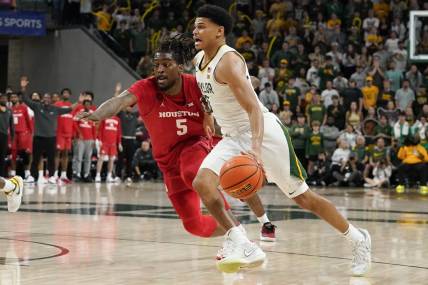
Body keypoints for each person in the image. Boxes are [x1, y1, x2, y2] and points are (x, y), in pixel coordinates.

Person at [192, 4, 371, 275]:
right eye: (195, 25)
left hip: (263, 134)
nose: (195, 30)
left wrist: (254, 148)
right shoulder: (198, 61)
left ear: (220, 32)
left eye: (202, 26)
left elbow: (253, 107)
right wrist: (207, 115)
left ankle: (358, 239)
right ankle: (242, 242)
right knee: (203, 183)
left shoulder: (229, 62)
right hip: (232, 136)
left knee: (304, 199)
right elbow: (209, 94)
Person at [76, 35, 276, 243]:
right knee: (193, 225)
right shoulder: (146, 88)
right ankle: (236, 228)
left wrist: (239, 80)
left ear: (179, 67)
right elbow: (119, 101)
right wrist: (97, 114)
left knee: (201, 172)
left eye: (166, 64)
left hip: (198, 145)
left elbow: (247, 81)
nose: (159, 69)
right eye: (157, 65)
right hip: (168, 163)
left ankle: (246, 233)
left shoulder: (197, 84)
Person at [20, 77, 74, 184]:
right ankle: (32, 176)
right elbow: (25, 99)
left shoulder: (55, 109)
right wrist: (23, 88)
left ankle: (52, 177)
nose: (46, 99)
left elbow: (70, 109)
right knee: (35, 158)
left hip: (51, 138)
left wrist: (79, 102)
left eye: (48, 98)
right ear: (42, 99)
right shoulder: (36, 106)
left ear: (51, 100)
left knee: (51, 159)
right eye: (45, 97)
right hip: (38, 137)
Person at [10, 92, 33, 182]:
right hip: (13, 135)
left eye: (15, 97)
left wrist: (30, 134)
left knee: (25, 154)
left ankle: (27, 174)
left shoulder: (24, 108)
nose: (13, 98)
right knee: (13, 154)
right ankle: (13, 174)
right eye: (12, 97)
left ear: (18, 98)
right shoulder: (9, 109)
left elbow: (29, 122)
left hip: (23, 135)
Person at [54, 88, 74, 183]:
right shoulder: (57, 105)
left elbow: (73, 121)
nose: (66, 94)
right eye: (64, 93)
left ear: (69, 95)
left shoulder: (71, 106)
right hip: (59, 133)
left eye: (67, 93)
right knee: (57, 153)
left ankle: (63, 175)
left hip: (68, 134)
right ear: (62, 95)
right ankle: (54, 174)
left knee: (66, 154)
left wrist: (73, 134)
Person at [95, 115, 122, 183]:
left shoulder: (117, 119)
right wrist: (100, 140)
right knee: (101, 158)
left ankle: (109, 176)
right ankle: (98, 176)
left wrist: (119, 143)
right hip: (104, 143)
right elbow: (100, 130)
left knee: (111, 159)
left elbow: (119, 132)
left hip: (113, 143)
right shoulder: (104, 117)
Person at [0, 93, 14, 177]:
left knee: (2, 157)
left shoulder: (9, 110)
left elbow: (11, 125)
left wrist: (12, 137)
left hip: (4, 136)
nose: (3, 100)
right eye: (2, 98)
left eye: (5, 99)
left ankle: (1, 175)